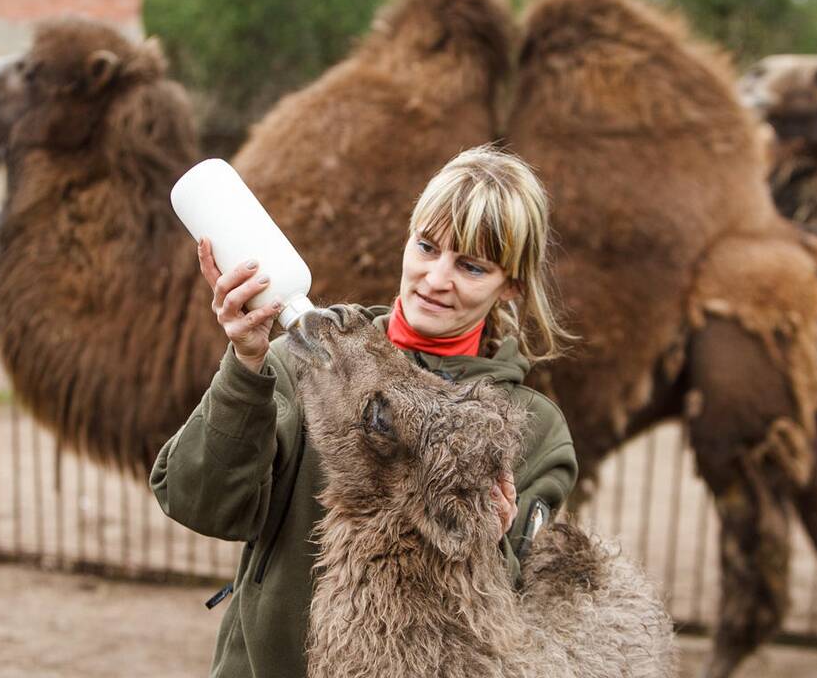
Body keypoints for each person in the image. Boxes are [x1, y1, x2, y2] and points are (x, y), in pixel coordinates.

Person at [150, 145, 577, 677]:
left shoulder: (530, 430)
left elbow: (517, 615)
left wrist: (487, 543)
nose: (436, 278)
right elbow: (199, 504)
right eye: (427, 247)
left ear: (510, 283)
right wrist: (246, 365)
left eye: (471, 266)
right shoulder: (309, 361)